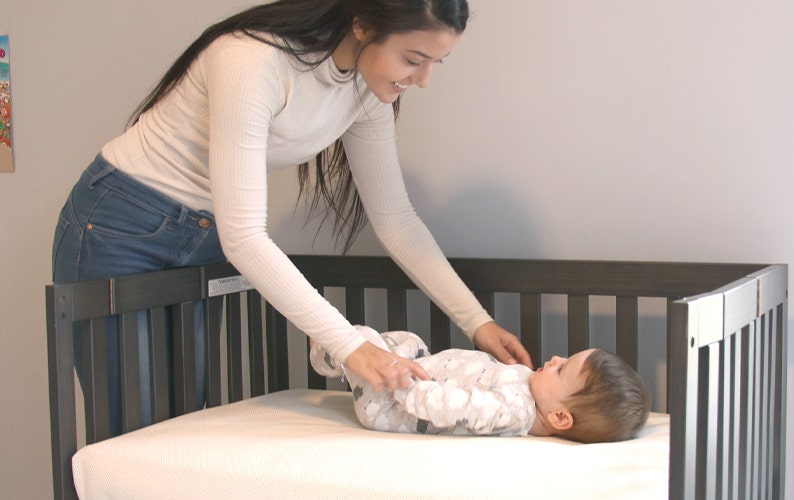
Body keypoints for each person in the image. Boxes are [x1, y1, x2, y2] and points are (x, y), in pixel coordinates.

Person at [51, 0, 532, 430]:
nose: (422, 80)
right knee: (125, 427)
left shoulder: (366, 92)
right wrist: (350, 346)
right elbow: (243, 237)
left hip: (203, 236)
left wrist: (477, 323)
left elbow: (395, 219)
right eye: (413, 59)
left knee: (178, 423)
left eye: (435, 63)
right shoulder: (252, 59)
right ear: (362, 24)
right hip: (121, 223)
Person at [311, 326, 650, 442]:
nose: (557, 359)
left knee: (360, 338)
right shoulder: (528, 389)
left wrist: (402, 382)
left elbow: (452, 408)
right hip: (416, 372)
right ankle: (345, 354)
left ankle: (325, 356)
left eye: (562, 371)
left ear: (560, 417)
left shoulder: (515, 411)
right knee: (407, 340)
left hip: (388, 401)